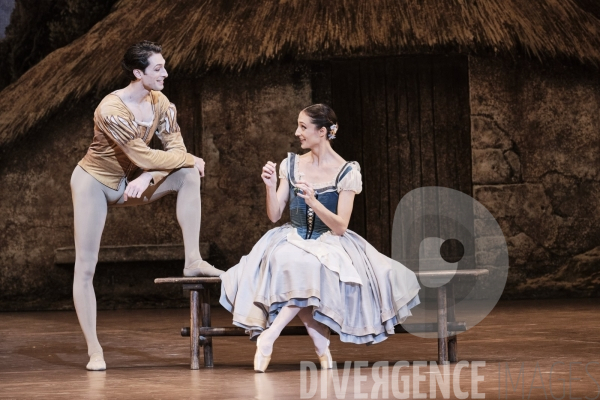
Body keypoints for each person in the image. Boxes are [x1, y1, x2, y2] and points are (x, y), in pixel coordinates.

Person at [219, 104, 421, 372]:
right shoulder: (290, 164)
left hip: (329, 240)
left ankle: (271, 336)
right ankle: (321, 346)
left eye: (303, 127)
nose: (297, 132)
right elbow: (275, 214)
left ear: (323, 131)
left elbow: (340, 226)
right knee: (295, 264)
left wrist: (314, 202)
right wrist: (269, 187)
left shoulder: (346, 171)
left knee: (314, 267)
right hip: (291, 237)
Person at [71, 41, 224, 371]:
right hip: (93, 183)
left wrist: (151, 175)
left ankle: (193, 261)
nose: (166, 73)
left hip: (133, 182)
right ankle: (94, 350)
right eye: (158, 69)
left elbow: (173, 150)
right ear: (138, 73)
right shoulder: (110, 110)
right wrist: (177, 160)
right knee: (85, 267)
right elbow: (142, 154)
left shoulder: (161, 103)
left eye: (164, 66)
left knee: (187, 175)